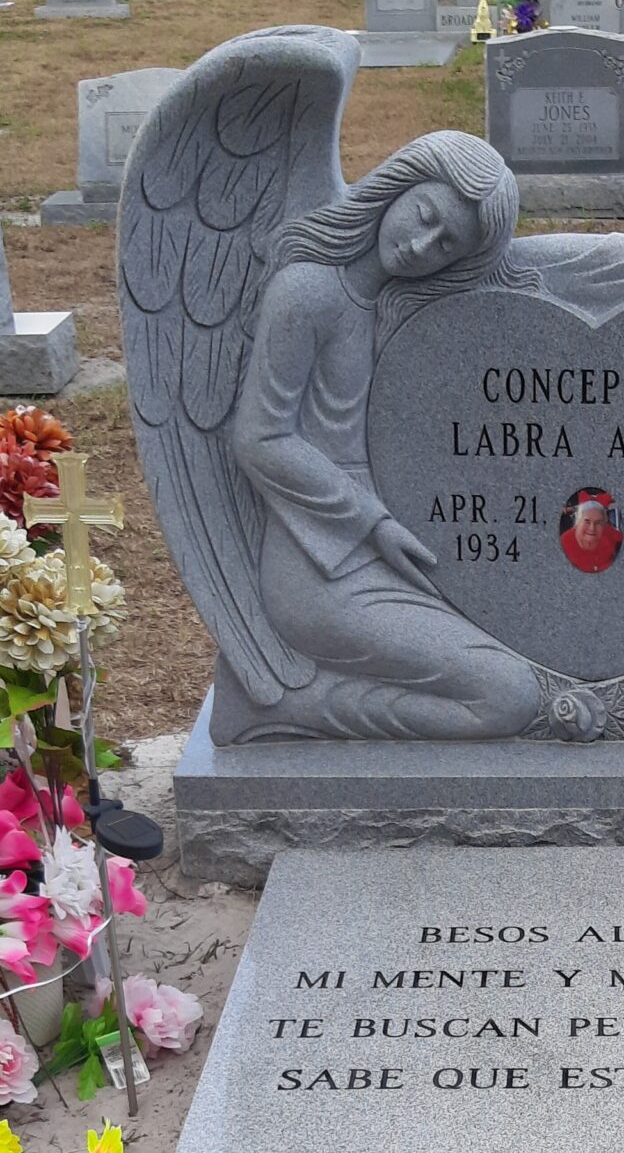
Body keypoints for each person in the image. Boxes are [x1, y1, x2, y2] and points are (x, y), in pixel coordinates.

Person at [228, 130, 544, 738]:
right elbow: (260, 437)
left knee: (532, 650)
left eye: (446, 244)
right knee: (507, 695)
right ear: (397, 185)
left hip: (394, 552)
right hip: (321, 566)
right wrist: (371, 520)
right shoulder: (306, 293)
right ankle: (285, 708)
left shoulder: (394, 308)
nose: (422, 245)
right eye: (424, 216)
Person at [559, 489, 622, 574]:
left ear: (604, 522)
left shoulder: (610, 533)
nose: (592, 528)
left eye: (598, 522)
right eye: (587, 521)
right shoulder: (565, 540)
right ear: (579, 520)